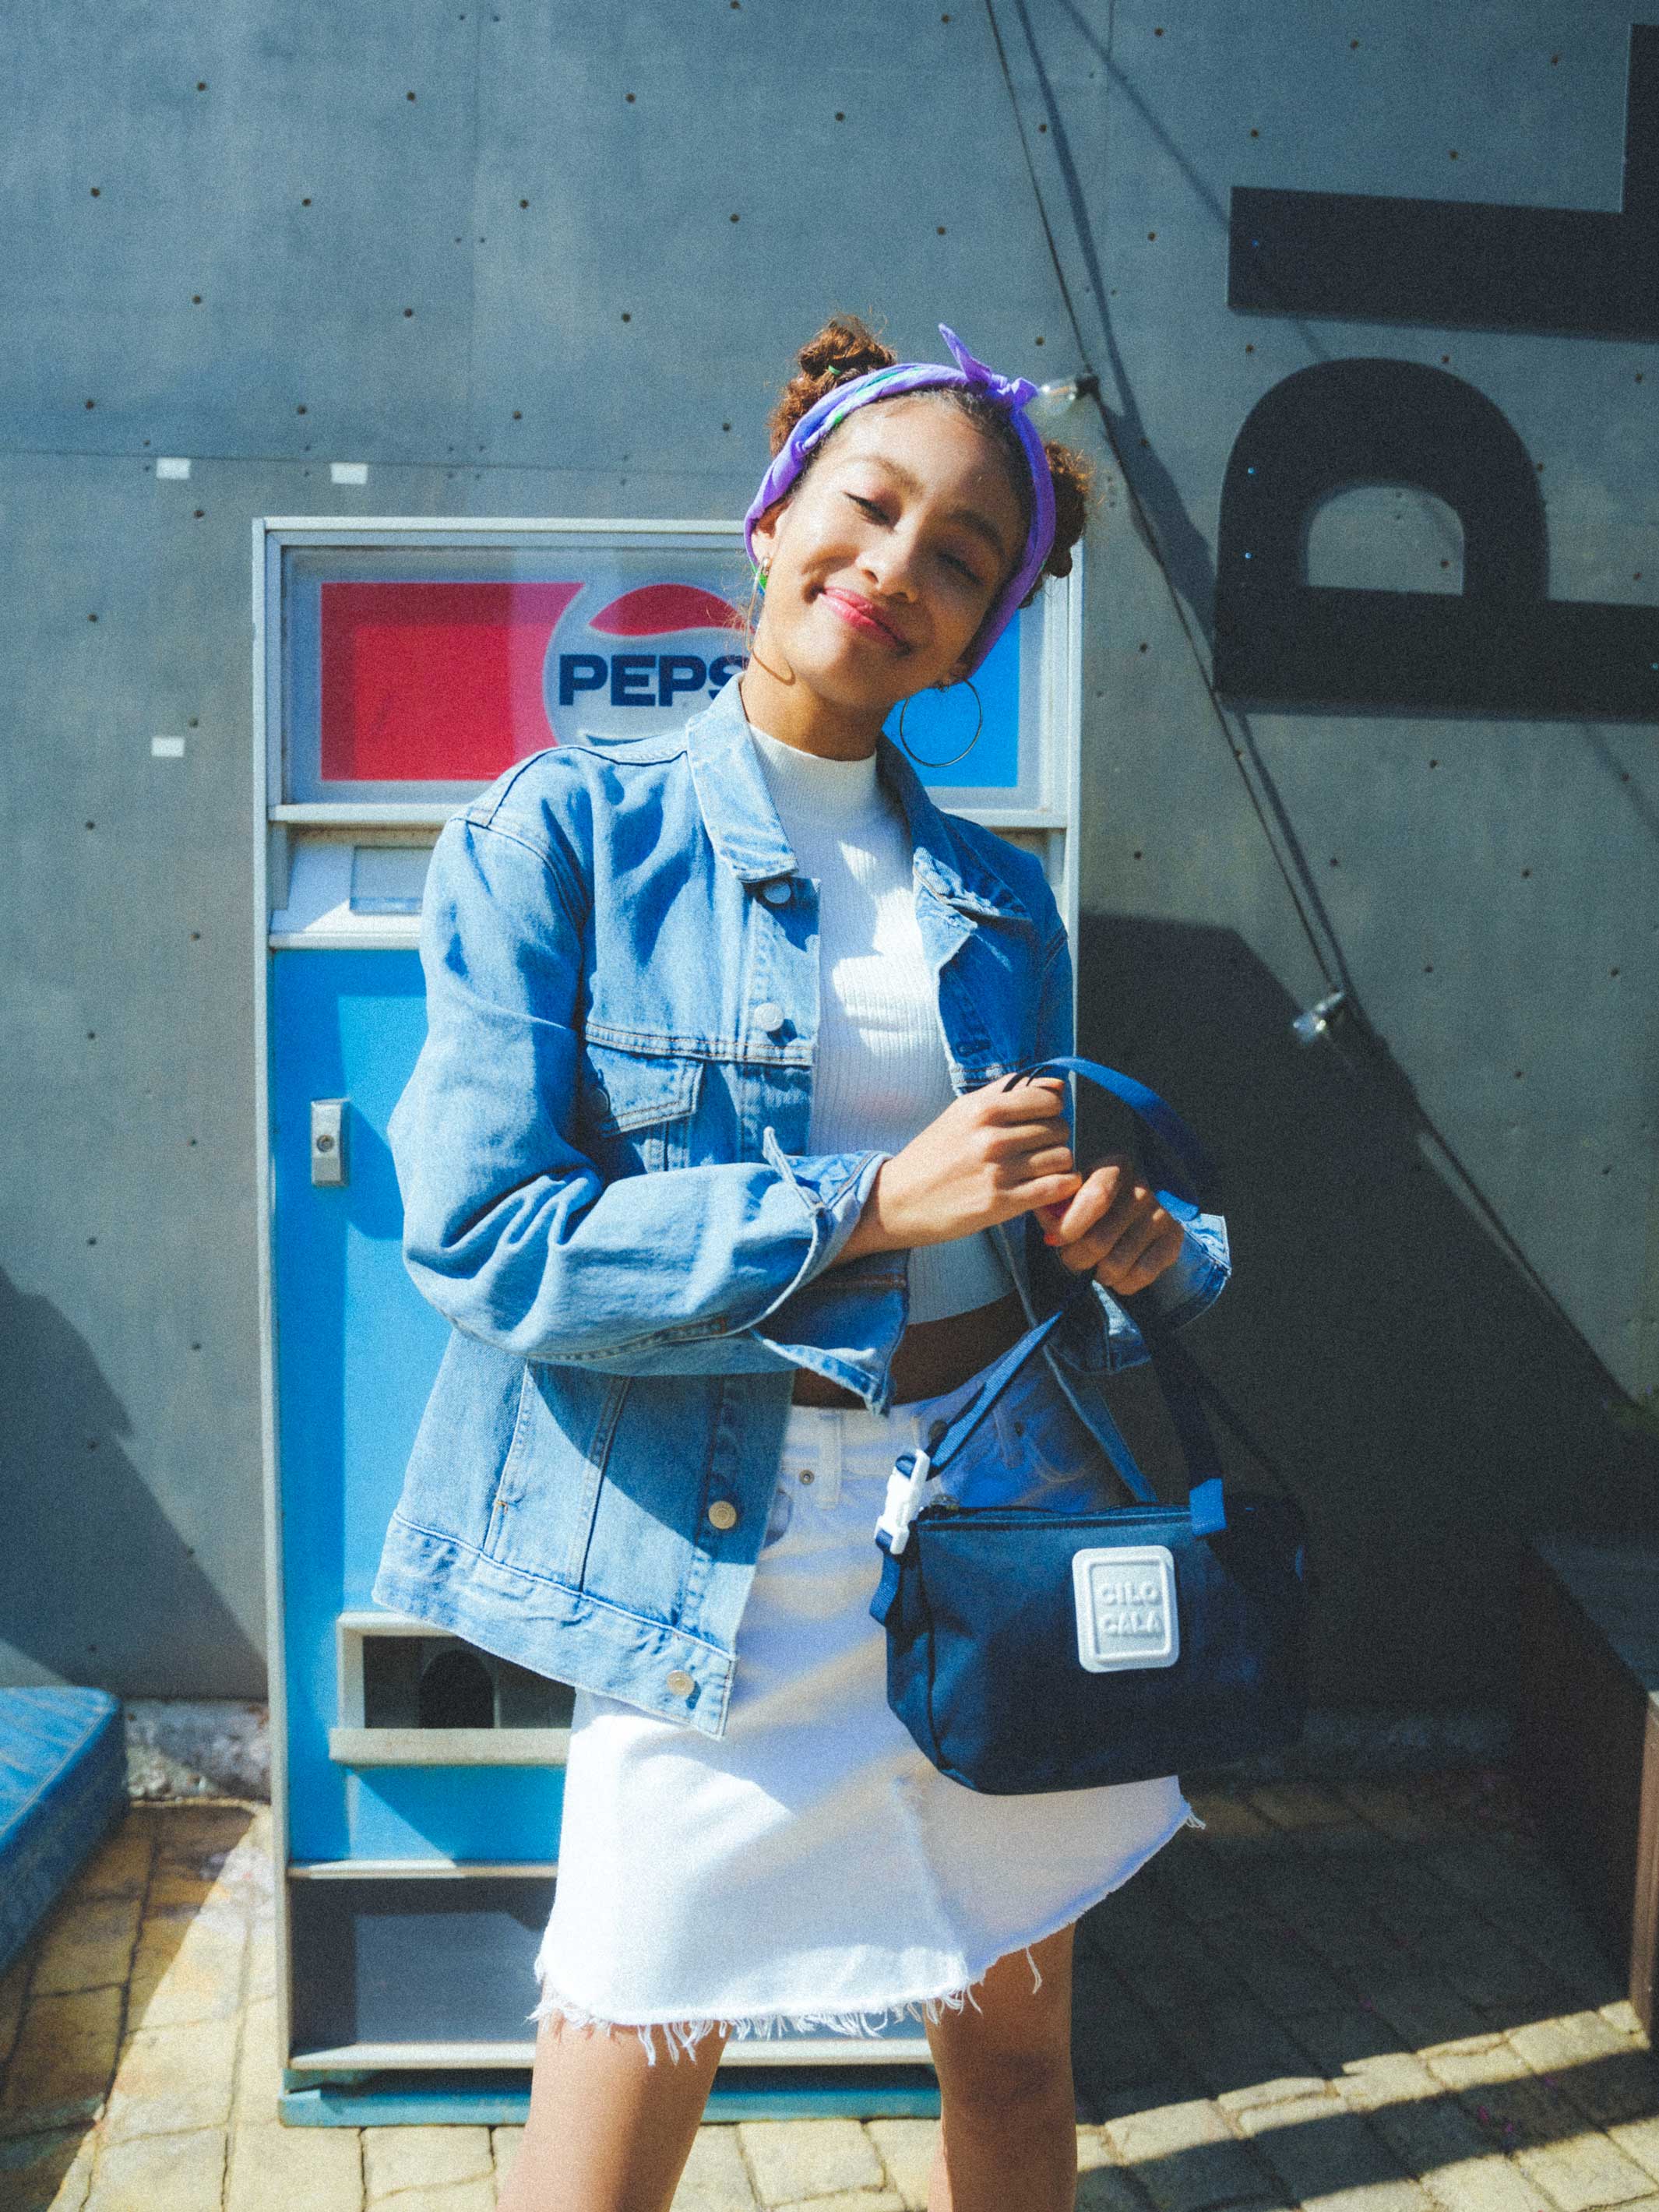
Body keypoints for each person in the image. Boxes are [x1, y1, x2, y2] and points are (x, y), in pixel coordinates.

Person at [376, 313, 1231, 2212]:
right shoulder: (561, 834)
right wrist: (863, 1205)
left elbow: (1021, 1224)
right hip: (721, 1565)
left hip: (989, 1531)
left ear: (983, 633)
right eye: (870, 506)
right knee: (620, 2090)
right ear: (772, 514)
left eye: (961, 558)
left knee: (1016, 2058)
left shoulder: (999, 895)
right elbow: (487, 1240)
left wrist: (1120, 1247)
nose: (898, 567)